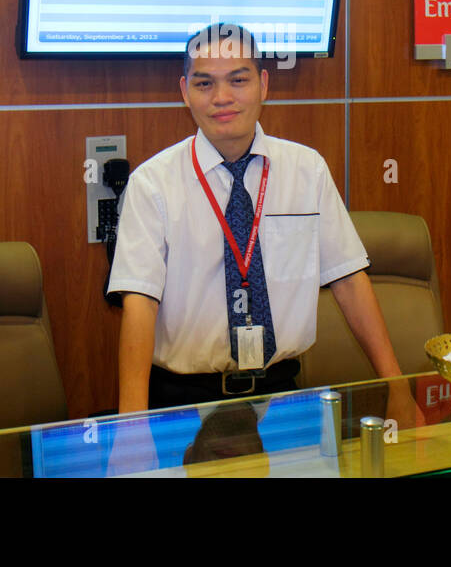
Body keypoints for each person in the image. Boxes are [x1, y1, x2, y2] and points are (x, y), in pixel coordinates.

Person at [108, 23, 406, 413]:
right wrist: (132, 423)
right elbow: (139, 303)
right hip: (182, 402)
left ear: (263, 85)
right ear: (185, 92)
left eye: (238, 79)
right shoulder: (151, 184)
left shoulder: (306, 169)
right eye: (204, 84)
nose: (222, 97)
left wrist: (397, 389)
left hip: (285, 397)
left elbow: (348, 279)